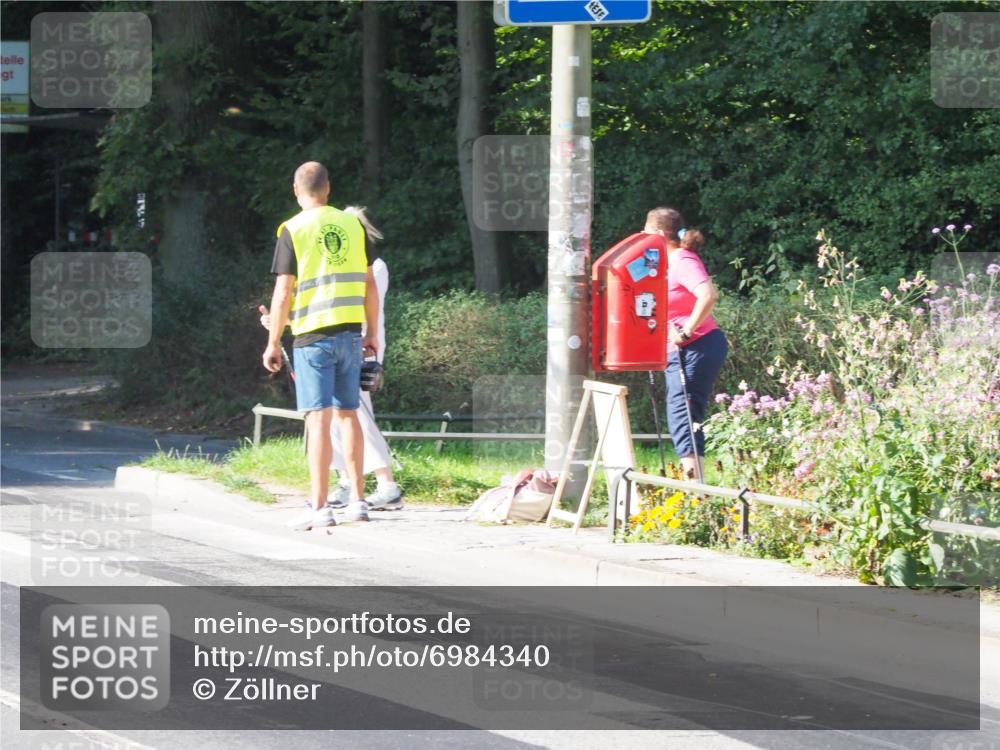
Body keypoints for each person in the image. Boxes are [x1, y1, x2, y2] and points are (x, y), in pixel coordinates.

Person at [259, 206, 402, 511]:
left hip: (355, 341)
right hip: (352, 339)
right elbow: (320, 304)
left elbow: (346, 303)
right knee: (343, 416)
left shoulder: (374, 267)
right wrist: (280, 321)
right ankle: (350, 483)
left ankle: (384, 482)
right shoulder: (355, 265)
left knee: (352, 414)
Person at [262, 162, 379, 530]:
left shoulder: (292, 229)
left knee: (317, 420)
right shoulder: (353, 225)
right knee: (349, 414)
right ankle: (358, 501)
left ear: (296, 191)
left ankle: (319, 506)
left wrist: (273, 341)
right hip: (350, 334)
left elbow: (283, 293)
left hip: (312, 338)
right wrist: (372, 332)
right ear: (328, 188)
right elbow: (368, 283)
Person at [643, 207, 728, 481]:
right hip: (684, 350)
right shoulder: (667, 263)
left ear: (657, 234)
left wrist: (686, 331)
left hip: (696, 347)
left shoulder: (682, 260)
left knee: (684, 415)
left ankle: (696, 492)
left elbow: (708, 295)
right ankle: (694, 488)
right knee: (680, 414)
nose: (641, 238)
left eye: (645, 233)